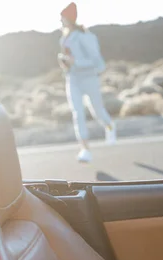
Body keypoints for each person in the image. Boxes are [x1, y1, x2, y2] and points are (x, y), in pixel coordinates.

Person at [58, 2, 116, 163]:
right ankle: (85, 149)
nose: (60, 21)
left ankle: (110, 126)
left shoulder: (86, 37)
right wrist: (65, 63)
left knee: (96, 110)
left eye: (62, 18)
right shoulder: (64, 39)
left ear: (70, 19)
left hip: (89, 78)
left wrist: (75, 62)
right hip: (73, 79)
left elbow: (97, 62)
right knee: (77, 114)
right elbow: (70, 62)